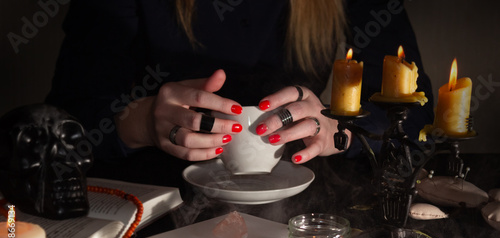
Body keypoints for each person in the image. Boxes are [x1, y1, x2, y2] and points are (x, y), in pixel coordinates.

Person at [46, 0, 433, 188]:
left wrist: (338, 130)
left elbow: (413, 108)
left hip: (303, 201)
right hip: (157, 198)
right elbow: (61, 122)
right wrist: (142, 121)